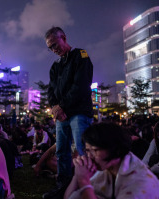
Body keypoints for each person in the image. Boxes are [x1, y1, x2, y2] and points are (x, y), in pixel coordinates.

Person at [44, 26, 93, 198]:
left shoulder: (81, 55)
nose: (53, 49)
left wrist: (61, 107)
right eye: (50, 47)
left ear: (63, 37)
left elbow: (81, 86)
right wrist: (54, 107)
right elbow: (51, 91)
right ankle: (63, 185)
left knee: (82, 149)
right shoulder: (55, 66)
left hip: (79, 111)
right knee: (61, 150)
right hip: (62, 115)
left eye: (55, 44)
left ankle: (88, 184)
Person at [64, 122, 159, 199]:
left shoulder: (139, 185)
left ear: (115, 149)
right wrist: (77, 176)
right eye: (87, 150)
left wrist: (83, 181)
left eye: (95, 150)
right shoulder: (108, 169)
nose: (89, 156)